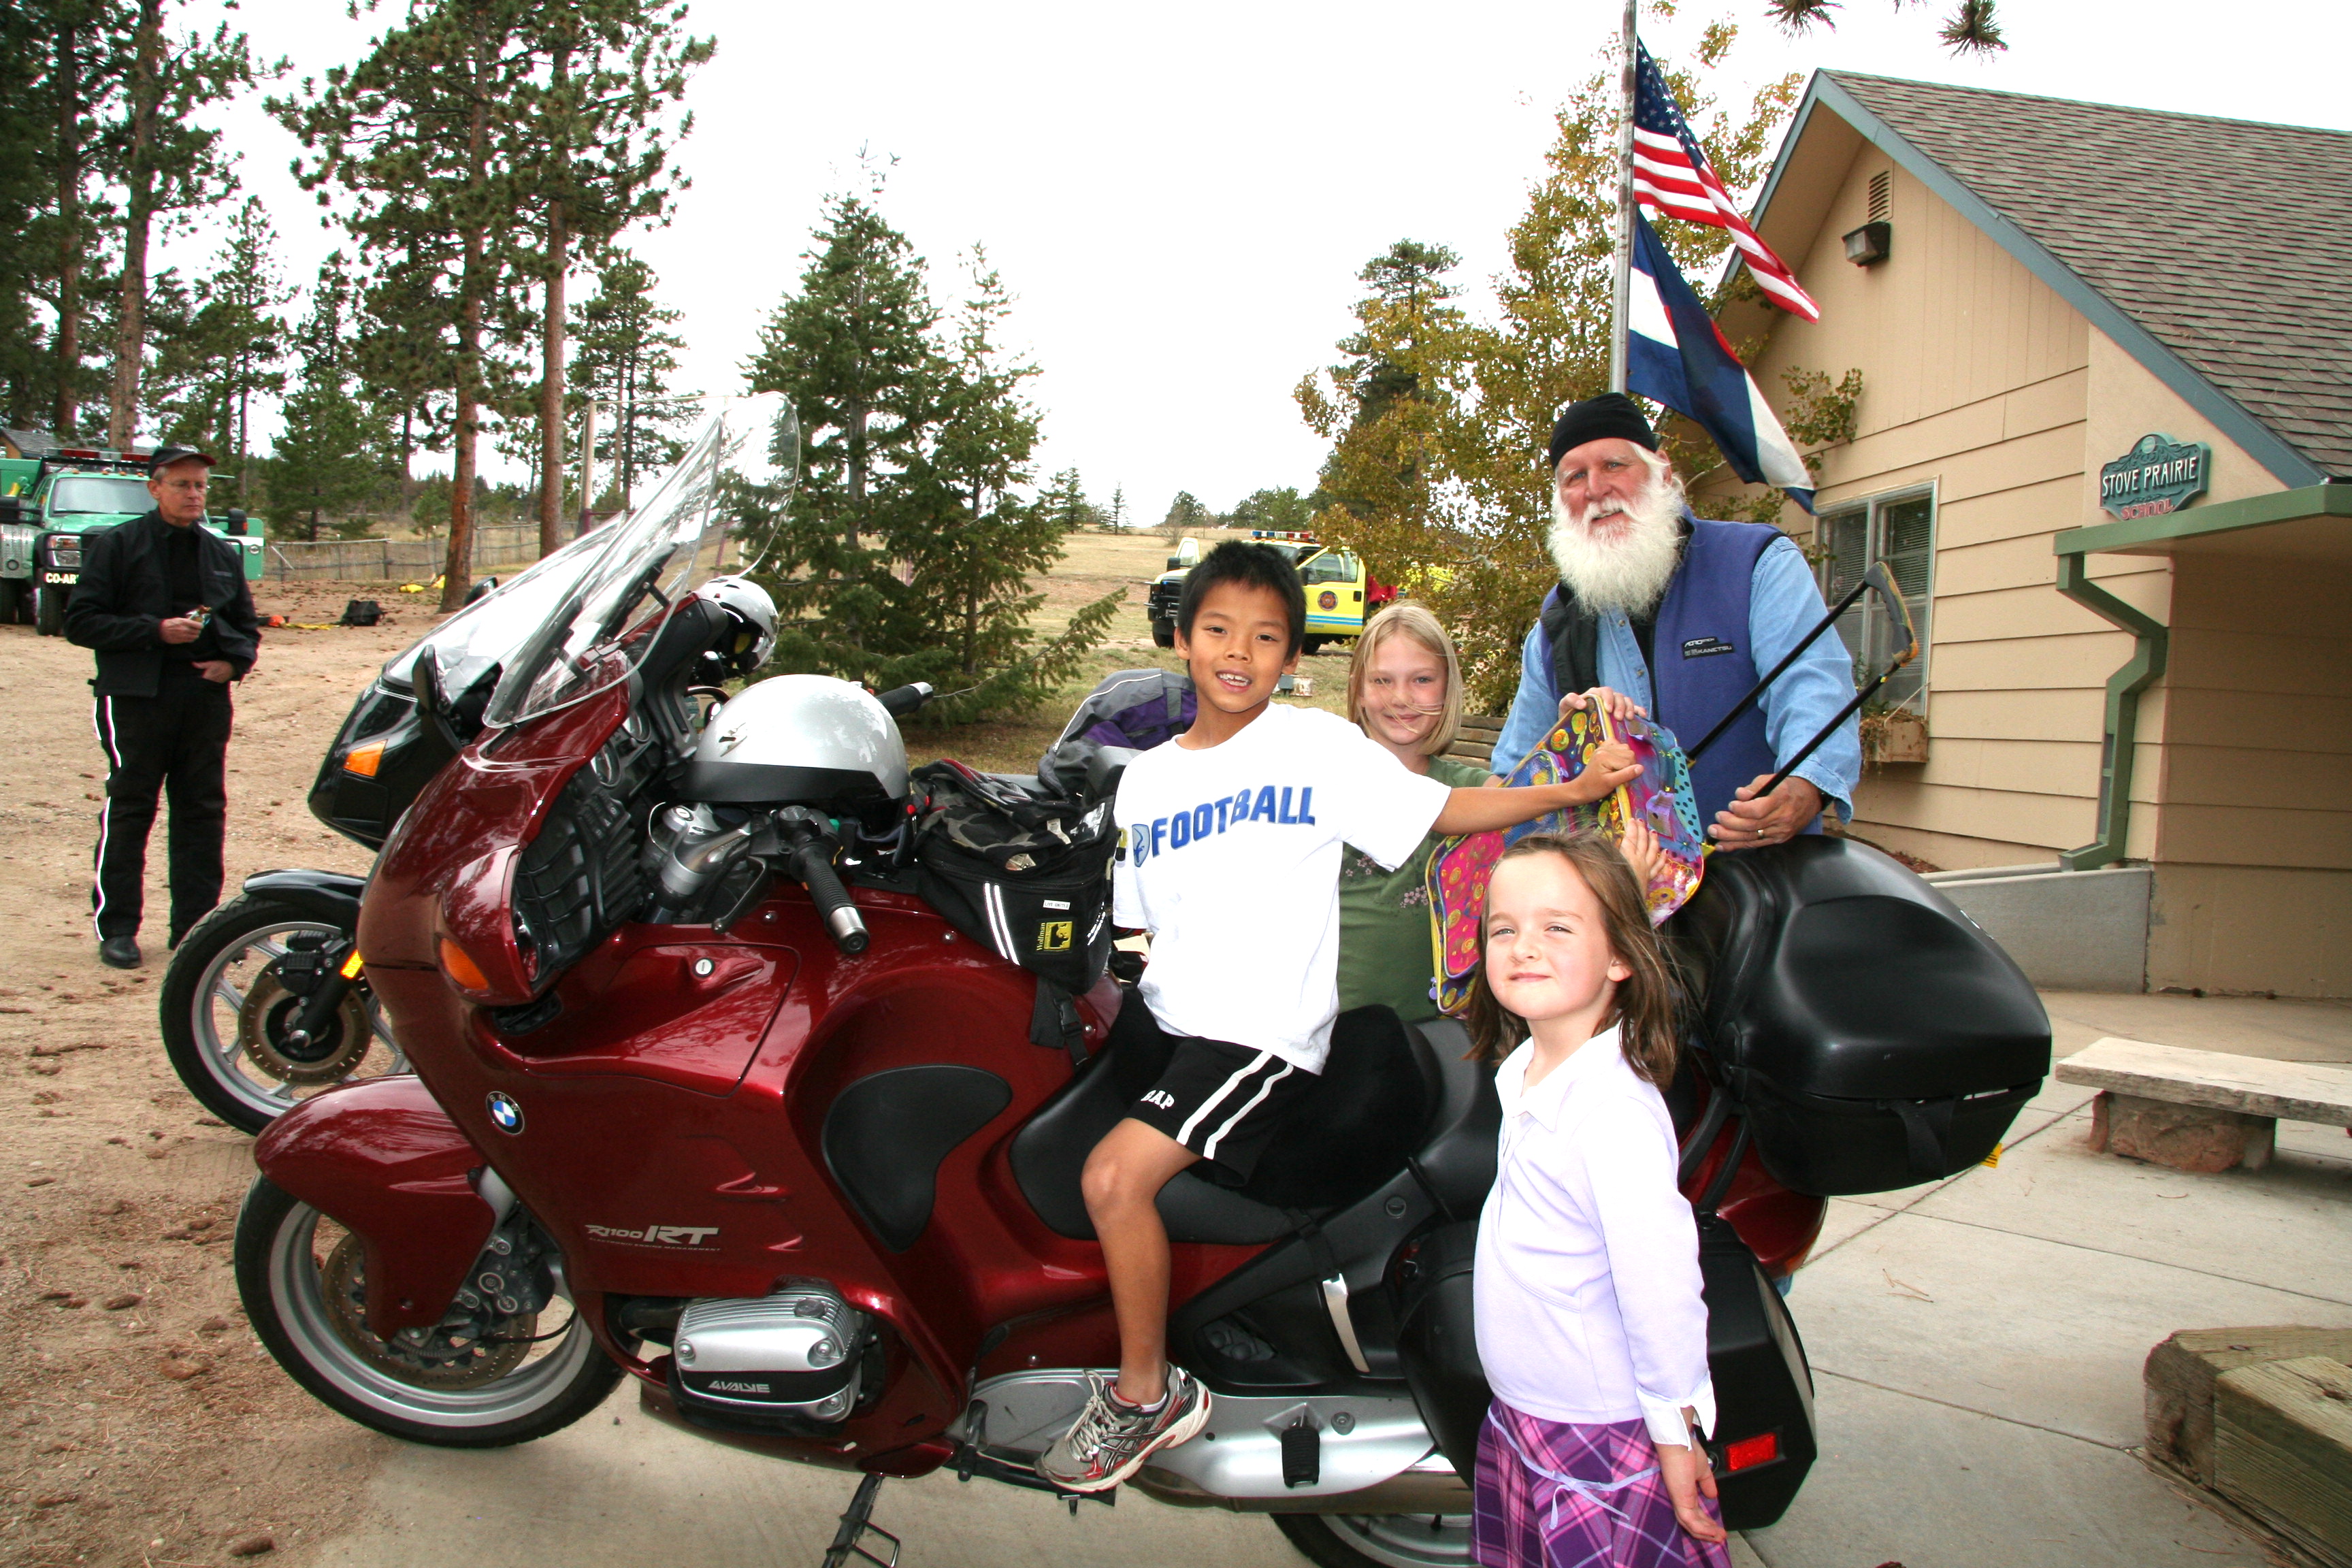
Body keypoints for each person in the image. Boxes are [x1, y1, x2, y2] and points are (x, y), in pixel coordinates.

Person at [1038, 542, 1644, 1494]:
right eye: (1219, 630)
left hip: (1259, 1035)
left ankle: (1145, 1392)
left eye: (1267, 636)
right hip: (1174, 1019)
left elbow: (1446, 808)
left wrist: (1571, 791)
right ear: (1184, 641)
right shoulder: (1149, 781)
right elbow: (1145, 920)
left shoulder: (1315, 747)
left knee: (1114, 1179)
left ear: (1292, 658)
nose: (1240, 651)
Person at [1467, 832, 1729, 1568]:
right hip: (1527, 1413)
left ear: (1620, 956)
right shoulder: (1526, 1069)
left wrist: (1677, 1435)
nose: (1524, 946)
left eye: (1557, 927)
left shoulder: (1612, 1112)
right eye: (1504, 928)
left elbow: (1662, 1288)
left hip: (1596, 1433)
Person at [1494, 393, 1859, 851]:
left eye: (1613, 465)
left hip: (1760, 883)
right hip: (1620, 904)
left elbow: (1814, 685)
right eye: (1575, 476)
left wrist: (1803, 788)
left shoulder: (1757, 565)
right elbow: (1515, 769)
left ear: (1663, 471)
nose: (1595, 489)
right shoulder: (1556, 624)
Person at [65, 446, 260, 970]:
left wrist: (232, 663)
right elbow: (81, 622)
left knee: (202, 811)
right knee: (132, 808)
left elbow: (246, 626)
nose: (194, 495)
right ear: (155, 488)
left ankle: (195, 932)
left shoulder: (220, 554)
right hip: (135, 697)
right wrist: (154, 632)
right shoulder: (117, 546)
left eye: (200, 486)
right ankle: (119, 929)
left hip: (202, 700)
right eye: (182, 485)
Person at [1335, 604, 1490, 1024]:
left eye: (1422, 680)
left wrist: (1587, 717)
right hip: (1332, 1030)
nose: (1401, 698)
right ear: (1359, 690)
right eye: (1382, 681)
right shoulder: (1324, 781)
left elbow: (1558, 801)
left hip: (1444, 1035)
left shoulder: (1479, 793)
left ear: (1447, 687)